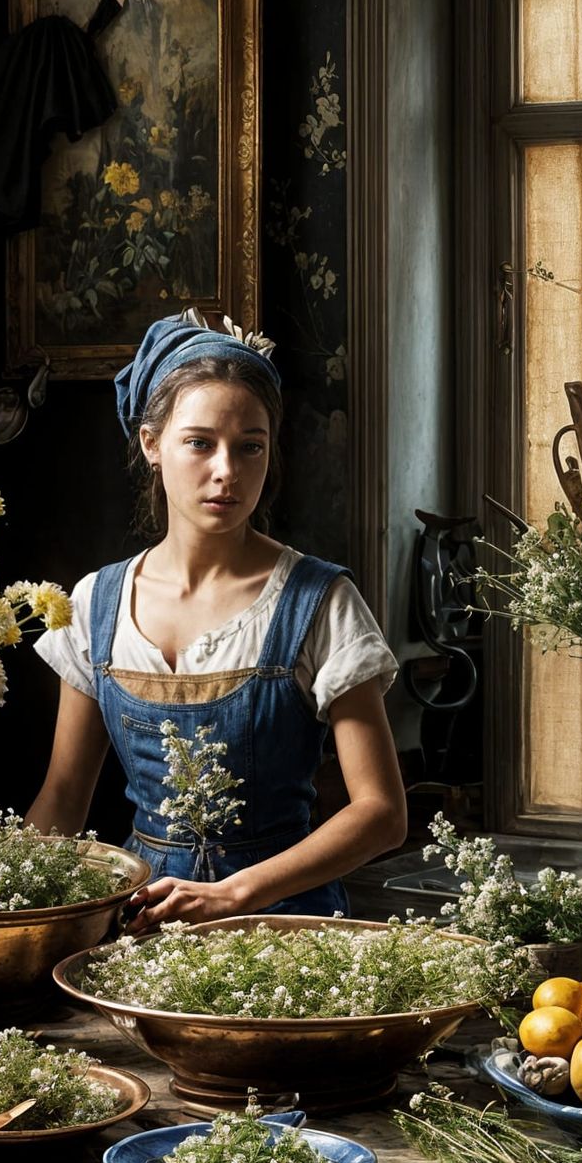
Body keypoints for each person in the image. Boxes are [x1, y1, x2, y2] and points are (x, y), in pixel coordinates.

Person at [26, 310, 406, 921]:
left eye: (249, 446)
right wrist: (1, 901)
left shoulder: (318, 601)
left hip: (286, 927)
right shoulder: (96, 603)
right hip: (143, 924)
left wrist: (234, 892)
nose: (227, 471)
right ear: (152, 445)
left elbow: (381, 814)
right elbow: (65, 799)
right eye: (200, 443)